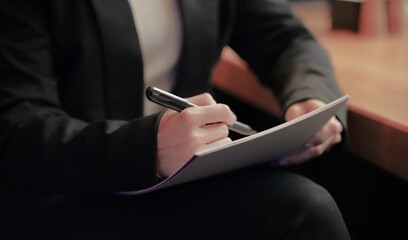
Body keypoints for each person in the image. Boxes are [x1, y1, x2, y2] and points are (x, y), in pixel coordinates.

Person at [0, 0, 351, 239]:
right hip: (61, 192)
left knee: (315, 200)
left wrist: (309, 95)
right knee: (301, 209)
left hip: (180, 179)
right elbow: (20, 126)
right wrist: (145, 147)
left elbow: (286, 38)